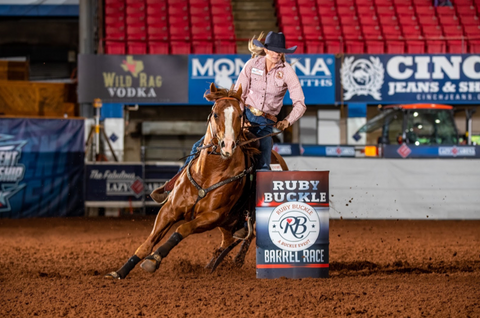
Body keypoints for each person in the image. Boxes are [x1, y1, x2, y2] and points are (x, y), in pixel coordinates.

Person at [150, 31, 306, 212]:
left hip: (265, 124)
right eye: (273, 50)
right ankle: (173, 187)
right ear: (265, 49)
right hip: (243, 117)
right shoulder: (251, 65)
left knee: (262, 165)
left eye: (279, 51)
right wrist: (236, 118)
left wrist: (286, 122)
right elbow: (238, 94)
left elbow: (300, 104)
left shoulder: (287, 72)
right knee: (199, 147)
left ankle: (254, 212)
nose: (276, 54)